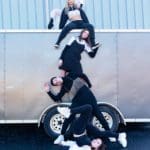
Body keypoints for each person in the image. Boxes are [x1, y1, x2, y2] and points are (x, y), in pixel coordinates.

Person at [44, 75, 111, 142]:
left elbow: (81, 74)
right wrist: (48, 91)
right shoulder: (64, 88)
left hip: (89, 97)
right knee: (69, 116)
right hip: (78, 100)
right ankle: (61, 136)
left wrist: (89, 84)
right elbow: (57, 99)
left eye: (55, 80)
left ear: (58, 77)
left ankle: (110, 134)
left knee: (99, 116)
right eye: (55, 84)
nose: (56, 82)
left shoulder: (71, 75)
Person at [56, 105, 127, 149]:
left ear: (95, 148)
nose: (96, 141)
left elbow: (74, 145)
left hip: (78, 131)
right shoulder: (90, 142)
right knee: (99, 133)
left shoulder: (87, 147)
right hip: (82, 129)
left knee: (88, 108)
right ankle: (119, 136)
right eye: (98, 141)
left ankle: (69, 111)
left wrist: (63, 143)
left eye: (97, 143)